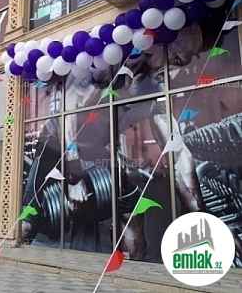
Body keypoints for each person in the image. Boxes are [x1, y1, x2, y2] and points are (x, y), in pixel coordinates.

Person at [22, 23, 209, 258]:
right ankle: (10, 258)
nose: (174, 73)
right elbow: (68, 112)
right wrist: (74, 177)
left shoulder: (156, 94)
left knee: (133, 210)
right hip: (57, 142)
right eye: (178, 60)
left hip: (94, 151)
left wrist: (202, 217)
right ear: (157, 46)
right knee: (29, 220)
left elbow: (178, 152)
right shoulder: (108, 66)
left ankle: (132, 270)